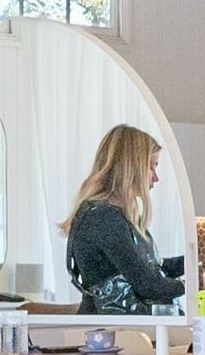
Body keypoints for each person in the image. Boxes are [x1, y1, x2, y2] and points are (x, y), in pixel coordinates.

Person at [64, 124, 185, 314]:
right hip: (112, 334)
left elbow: (152, 268)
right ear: (131, 167)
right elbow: (147, 284)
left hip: (119, 330)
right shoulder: (104, 219)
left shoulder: (112, 215)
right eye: (151, 166)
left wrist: (196, 264)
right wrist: (190, 284)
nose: (156, 178)